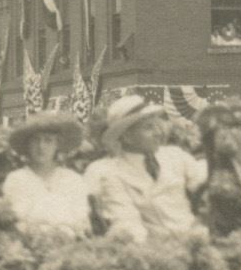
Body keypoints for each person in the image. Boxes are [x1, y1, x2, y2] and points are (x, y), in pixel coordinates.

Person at [87, 93, 208, 242]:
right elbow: (126, 222)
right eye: (148, 128)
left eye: (157, 126)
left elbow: (205, 186)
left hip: (199, 238)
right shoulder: (110, 171)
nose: (158, 133)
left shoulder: (175, 156)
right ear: (127, 137)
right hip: (154, 249)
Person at [1, 110, 92, 237]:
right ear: (28, 145)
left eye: (48, 140)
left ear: (57, 145)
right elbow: (17, 220)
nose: (41, 146)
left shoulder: (73, 179)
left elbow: (81, 220)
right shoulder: (17, 179)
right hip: (31, 245)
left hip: (71, 245)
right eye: (36, 140)